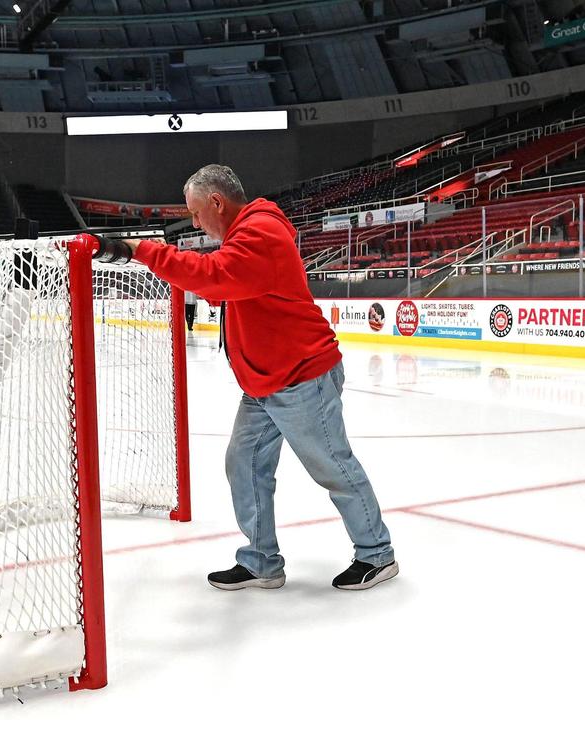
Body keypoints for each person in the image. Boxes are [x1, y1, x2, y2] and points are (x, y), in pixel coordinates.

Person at [85, 164, 397, 591]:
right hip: (265, 382)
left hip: (301, 376)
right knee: (244, 464)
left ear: (217, 202)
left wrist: (140, 249)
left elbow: (211, 279)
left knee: (332, 466)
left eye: (196, 213)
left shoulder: (259, 235)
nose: (194, 223)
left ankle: (376, 554)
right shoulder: (246, 234)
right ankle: (261, 560)